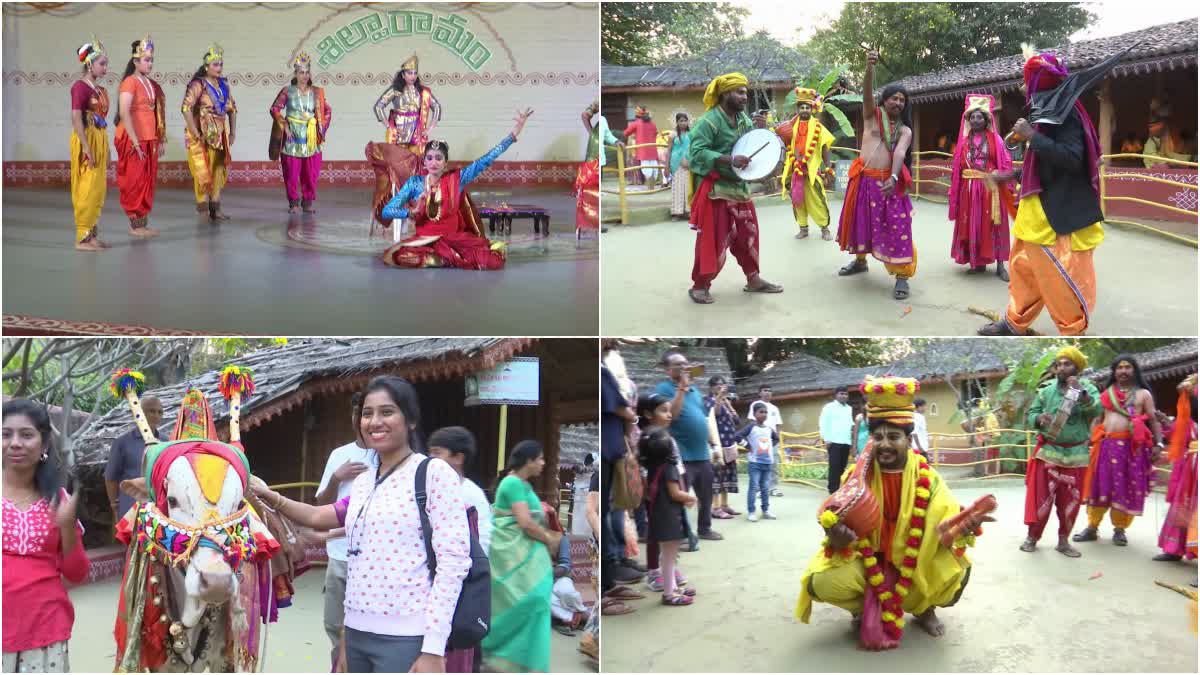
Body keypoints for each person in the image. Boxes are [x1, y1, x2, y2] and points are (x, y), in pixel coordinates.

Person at [250, 376, 470, 673]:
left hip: (407, 637)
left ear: (412, 420)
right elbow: (318, 517)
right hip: (356, 636)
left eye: (387, 412)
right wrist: (267, 495)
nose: (375, 421)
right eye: (368, 413)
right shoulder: (366, 482)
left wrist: (433, 647)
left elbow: (453, 564)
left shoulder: (433, 474)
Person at [796, 377, 983, 650]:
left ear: (909, 440)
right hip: (868, 560)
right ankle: (861, 609)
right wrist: (836, 538)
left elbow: (946, 521)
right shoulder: (855, 477)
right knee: (821, 581)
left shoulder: (927, 478)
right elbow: (834, 519)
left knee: (955, 573)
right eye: (877, 437)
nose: (883, 444)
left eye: (893, 437)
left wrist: (961, 526)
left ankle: (924, 609)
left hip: (914, 560)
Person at [977, 49, 1105, 336]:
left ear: (1040, 84)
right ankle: (1015, 322)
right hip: (1037, 209)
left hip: (1060, 214)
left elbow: (1072, 159)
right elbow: (1046, 166)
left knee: (1060, 275)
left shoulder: (1067, 114)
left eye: (1027, 81)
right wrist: (1009, 174)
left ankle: (1072, 330)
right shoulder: (1048, 112)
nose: (1023, 88)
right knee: (1023, 267)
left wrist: (1032, 136)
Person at [380, 109, 532, 270]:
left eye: (439, 158)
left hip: (455, 239)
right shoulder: (414, 183)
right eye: (429, 158)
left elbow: (486, 159)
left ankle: (443, 258)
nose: (434, 162)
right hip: (424, 240)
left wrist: (513, 135)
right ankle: (440, 259)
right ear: (424, 162)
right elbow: (387, 211)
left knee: (491, 262)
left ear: (446, 163)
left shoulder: (456, 179)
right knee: (400, 256)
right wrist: (411, 212)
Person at [3, 400, 89, 673]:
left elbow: (77, 573)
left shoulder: (59, 501)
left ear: (44, 444)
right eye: (6, 434)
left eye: (26, 435)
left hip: (45, 631)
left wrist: (66, 526)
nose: (15, 443)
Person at [687, 72, 784, 304]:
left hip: (739, 189)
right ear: (725, 94)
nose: (744, 97)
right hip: (716, 190)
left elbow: (750, 145)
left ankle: (753, 279)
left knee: (748, 235)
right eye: (740, 92)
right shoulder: (708, 122)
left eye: (745, 93)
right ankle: (700, 285)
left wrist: (760, 132)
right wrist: (729, 159)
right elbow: (696, 154)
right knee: (714, 239)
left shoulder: (743, 121)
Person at [835, 50, 916, 301]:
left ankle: (902, 276)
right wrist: (869, 68)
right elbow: (867, 93)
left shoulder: (905, 130)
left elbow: (901, 153)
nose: (898, 103)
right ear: (885, 101)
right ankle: (860, 262)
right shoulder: (872, 116)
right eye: (894, 98)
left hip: (888, 184)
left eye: (902, 100)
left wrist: (893, 179)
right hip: (863, 181)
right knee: (861, 223)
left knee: (898, 228)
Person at [481, 441, 558, 672]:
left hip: (526, 555)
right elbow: (525, 523)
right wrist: (550, 539)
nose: (544, 463)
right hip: (515, 557)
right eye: (541, 459)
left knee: (535, 602)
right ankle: (506, 658)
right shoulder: (513, 482)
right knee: (529, 602)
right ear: (529, 460)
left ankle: (523, 660)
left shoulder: (522, 483)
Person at [1074, 355, 1164, 547]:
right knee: (1098, 487)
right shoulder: (1106, 393)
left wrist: (1159, 444)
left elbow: (1153, 420)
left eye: (1128, 367)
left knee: (1125, 488)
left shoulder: (1143, 395)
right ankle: (1091, 527)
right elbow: (1098, 420)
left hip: (1132, 449)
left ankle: (1120, 530)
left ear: (1134, 371)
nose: (1123, 371)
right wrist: (1090, 441)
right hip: (1105, 447)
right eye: (1119, 368)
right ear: (1114, 372)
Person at [1019, 346, 1101, 557]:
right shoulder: (1046, 391)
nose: (1062, 368)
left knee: (1070, 502)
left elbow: (1098, 410)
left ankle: (1063, 541)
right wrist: (1038, 419)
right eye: (1059, 364)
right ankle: (1032, 537)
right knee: (1041, 499)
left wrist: (1080, 393)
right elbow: (1032, 414)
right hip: (1048, 452)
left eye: (1067, 364)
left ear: (1077, 368)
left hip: (1076, 456)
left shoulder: (1088, 389)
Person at [314, 393, 375, 667]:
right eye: (358, 414)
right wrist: (337, 478)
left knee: (368, 629)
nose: (361, 420)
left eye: (366, 413)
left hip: (376, 559)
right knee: (334, 625)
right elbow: (321, 504)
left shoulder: (388, 455)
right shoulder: (340, 455)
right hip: (339, 556)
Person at [655, 350, 722, 541]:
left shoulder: (695, 391)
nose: (684, 367)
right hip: (681, 456)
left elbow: (703, 419)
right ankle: (682, 534)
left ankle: (705, 529)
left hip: (702, 454)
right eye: (678, 364)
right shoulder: (663, 389)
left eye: (686, 363)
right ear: (668, 370)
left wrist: (715, 446)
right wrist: (681, 389)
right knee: (681, 497)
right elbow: (671, 416)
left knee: (706, 496)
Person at [948, 94, 1013, 281]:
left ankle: (1000, 265)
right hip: (968, 190)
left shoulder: (996, 140)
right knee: (972, 223)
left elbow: (1005, 162)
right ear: (968, 120)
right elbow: (958, 167)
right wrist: (955, 190)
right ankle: (978, 263)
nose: (976, 120)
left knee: (995, 224)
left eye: (980, 117)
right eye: (973, 117)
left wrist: (1001, 179)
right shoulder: (963, 142)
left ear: (986, 120)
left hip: (990, 188)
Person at [637, 393, 696, 586]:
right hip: (658, 491)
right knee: (658, 532)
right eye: (663, 411)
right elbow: (644, 469)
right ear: (647, 413)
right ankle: (655, 571)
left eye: (670, 411)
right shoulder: (648, 438)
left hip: (673, 482)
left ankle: (668, 568)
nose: (669, 415)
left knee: (672, 534)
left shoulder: (665, 436)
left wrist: (682, 486)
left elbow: (676, 464)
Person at [113, 36, 165, 238]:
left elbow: (156, 113)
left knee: (147, 180)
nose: (149, 63)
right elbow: (125, 112)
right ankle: (135, 225)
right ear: (135, 61)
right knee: (134, 180)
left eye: (151, 59)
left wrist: (159, 138)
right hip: (134, 139)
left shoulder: (150, 83)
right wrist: (135, 142)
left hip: (149, 137)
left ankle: (142, 223)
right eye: (146, 59)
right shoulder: (129, 82)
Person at [270, 52, 331, 214]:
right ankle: (293, 203)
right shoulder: (287, 91)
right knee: (291, 171)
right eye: (301, 72)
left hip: (310, 136)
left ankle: (308, 202)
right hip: (292, 135)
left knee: (311, 172)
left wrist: (320, 129)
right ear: (295, 73)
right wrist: (285, 126)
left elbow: (327, 111)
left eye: (307, 72)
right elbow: (275, 109)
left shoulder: (317, 92)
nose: (304, 76)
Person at [182, 43, 237, 223]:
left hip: (220, 133)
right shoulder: (199, 84)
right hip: (203, 134)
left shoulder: (224, 85)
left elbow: (232, 109)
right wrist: (194, 130)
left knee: (219, 169)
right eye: (215, 64)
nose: (219, 68)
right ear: (206, 66)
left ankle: (216, 207)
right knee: (202, 169)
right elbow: (186, 108)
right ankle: (203, 209)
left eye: (220, 64)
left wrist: (233, 132)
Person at [772, 87, 836, 240]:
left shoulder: (818, 127)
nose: (805, 110)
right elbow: (781, 143)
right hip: (795, 170)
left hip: (812, 171)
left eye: (808, 107)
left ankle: (824, 228)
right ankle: (803, 228)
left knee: (818, 200)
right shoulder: (789, 127)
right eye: (802, 107)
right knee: (797, 201)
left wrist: (827, 167)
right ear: (798, 109)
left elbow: (825, 147)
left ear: (812, 109)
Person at [69, 39, 111, 252]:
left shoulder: (99, 89)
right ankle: (82, 237)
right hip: (87, 139)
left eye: (106, 64)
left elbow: (101, 118)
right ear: (89, 64)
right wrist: (86, 147)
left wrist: (106, 148)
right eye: (102, 63)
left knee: (97, 188)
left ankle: (92, 235)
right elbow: (76, 118)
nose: (105, 68)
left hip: (99, 139)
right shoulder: (80, 87)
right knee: (87, 187)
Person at [104, 394, 163, 528]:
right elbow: (110, 477)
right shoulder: (122, 442)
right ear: (140, 413)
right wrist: (114, 505)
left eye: (160, 412)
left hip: (160, 510)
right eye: (151, 411)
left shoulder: (166, 442)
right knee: (133, 547)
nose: (156, 415)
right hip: (131, 509)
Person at [1156, 374, 1197, 562]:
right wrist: (1166, 422)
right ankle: (1174, 548)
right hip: (1191, 465)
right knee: (1183, 507)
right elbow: (1183, 431)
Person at [735, 402, 779, 522]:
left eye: (765, 412)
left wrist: (769, 447)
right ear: (754, 414)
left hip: (767, 462)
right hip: (755, 463)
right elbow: (737, 436)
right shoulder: (751, 427)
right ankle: (751, 511)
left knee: (765, 487)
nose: (764, 414)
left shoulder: (769, 429)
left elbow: (776, 438)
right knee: (754, 487)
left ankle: (766, 510)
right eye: (761, 412)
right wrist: (748, 446)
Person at [704, 376, 740, 518]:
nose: (721, 387)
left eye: (723, 385)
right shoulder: (708, 401)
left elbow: (736, 420)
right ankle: (715, 507)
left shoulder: (726, 401)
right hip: (718, 443)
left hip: (729, 443)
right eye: (718, 385)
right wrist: (719, 398)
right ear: (711, 387)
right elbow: (715, 413)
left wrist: (728, 403)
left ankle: (725, 505)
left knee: (727, 474)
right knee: (717, 474)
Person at [748, 385, 785, 497]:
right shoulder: (755, 404)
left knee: (773, 463)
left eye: (769, 390)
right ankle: (759, 489)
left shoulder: (774, 408)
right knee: (759, 464)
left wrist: (777, 439)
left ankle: (773, 488)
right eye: (765, 390)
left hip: (772, 440)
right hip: (759, 439)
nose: (768, 392)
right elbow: (751, 421)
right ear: (760, 393)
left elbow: (778, 425)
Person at [819, 386, 854, 493]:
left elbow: (850, 424)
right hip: (833, 441)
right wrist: (826, 439)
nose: (844, 396)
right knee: (834, 466)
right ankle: (832, 489)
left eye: (846, 394)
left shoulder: (849, 408)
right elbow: (823, 423)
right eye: (841, 393)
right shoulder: (829, 407)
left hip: (846, 441)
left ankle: (839, 488)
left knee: (842, 466)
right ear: (836, 395)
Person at [576, 101, 604, 232]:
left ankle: (593, 222)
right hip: (597, 143)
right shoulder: (598, 101)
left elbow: (584, 115)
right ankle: (593, 222)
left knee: (591, 184)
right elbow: (584, 115)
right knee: (593, 183)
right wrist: (592, 133)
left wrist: (592, 133)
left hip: (597, 141)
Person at [624, 107, 658, 187]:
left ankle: (650, 188)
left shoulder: (636, 123)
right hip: (653, 150)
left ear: (637, 115)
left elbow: (626, 133)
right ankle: (652, 188)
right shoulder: (652, 124)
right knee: (654, 169)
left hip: (643, 151)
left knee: (646, 170)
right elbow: (656, 133)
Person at [667, 112, 692, 219]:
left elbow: (694, 149)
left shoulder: (692, 134)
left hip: (688, 163)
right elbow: (668, 151)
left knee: (688, 187)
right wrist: (666, 166)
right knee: (677, 188)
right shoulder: (672, 135)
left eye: (685, 120)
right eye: (681, 121)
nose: (683, 123)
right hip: (675, 164)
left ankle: (688, 211)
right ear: (677, 122)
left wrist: (690, 161)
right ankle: (677, 213)